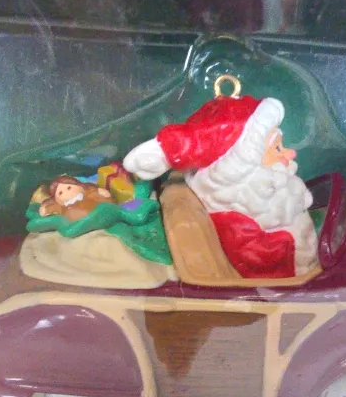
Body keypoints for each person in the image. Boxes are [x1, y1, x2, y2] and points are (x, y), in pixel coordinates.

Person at [122, 95, 317, 278]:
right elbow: (259, 261)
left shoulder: (264, 202)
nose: (291, 153)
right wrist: (295, 238)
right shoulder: (238, 219)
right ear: (244, 165)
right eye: (277, 148)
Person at [37, 175, 112, 222]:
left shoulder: (87, 193)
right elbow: (52, 207)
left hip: (96, 214)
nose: (66, 193)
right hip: (78, 221)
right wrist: (46, 209)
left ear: (79, 185)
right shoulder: (61, 206)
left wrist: (100, 192)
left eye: (69, 188)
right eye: (60, 193)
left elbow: (96, 194)